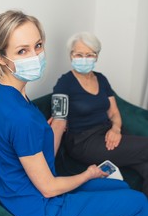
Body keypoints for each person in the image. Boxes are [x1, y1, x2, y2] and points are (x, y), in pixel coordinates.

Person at [0, 10, 148, 216]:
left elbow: (36, 153)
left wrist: (56, 128)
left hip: (22, 193)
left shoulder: (5, 92)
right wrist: (88, 173)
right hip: (41, 212)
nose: (35, 56)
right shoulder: (21, 116)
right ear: (0, 57)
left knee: (120, 186)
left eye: (38, 45)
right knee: (138, 203)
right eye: (22, 51)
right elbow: (48, 188)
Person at [53, 31, 148, 197]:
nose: (84, 58)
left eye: (89, 54)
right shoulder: (64, 83)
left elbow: (113, 111)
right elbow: (58, 121)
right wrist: (48, 162)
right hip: (84, 142)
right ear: (71, 56)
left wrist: (116, 128)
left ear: (96, 56)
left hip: (108, 132)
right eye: (79, 54)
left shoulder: (101, 79)